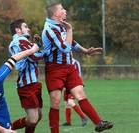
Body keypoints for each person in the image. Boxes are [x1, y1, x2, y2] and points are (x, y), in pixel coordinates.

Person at [41, 2, 113, 133]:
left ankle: (99, 122)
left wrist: (86, 51)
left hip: (69, 67)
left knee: (80, 94)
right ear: (55, 14)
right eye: (62, 9)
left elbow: (71, 42)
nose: (65, 11)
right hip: (54, 69)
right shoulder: (49, 29)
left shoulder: (61, 25)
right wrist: (70, 30)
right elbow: (65, 48)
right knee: (56, 102)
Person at [9, 19, 44, 133]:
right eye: (25, 26)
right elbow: (34, 56)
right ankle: (8, 129)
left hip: (33, 83)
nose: (28, 29)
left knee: (38, 116)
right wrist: (44, 48)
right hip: (26, 85)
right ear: (18, 30)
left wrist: (38, 45)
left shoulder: (24, 41)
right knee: (33, 119)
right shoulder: (20, 40)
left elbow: (34, 53)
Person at [62, 58, 88, 127]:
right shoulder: (62, 61)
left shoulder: (75, 62)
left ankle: (83, 117)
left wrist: (77, 85)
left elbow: (78, 75)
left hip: (73, 85)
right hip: (65, 85)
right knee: (66, 104)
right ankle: (68, 122)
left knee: (70, 102)